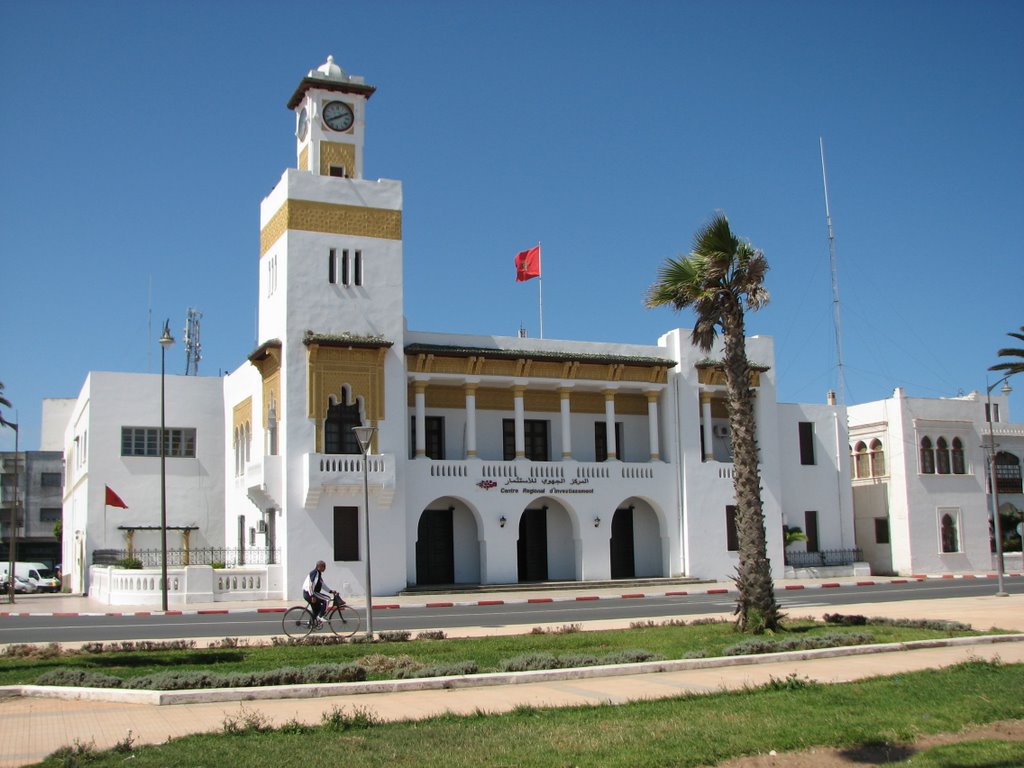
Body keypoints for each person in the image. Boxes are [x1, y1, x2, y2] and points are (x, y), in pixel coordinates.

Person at [302, 560, 337, 626]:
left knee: (318, 609)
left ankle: (311, 623)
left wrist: (330, 591)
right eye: (323, 566)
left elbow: (322, 584)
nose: (325, 568)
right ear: (319, 567)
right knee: (327, 599)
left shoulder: (318, 574)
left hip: (309, 593)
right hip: (309, 593)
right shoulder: (315, 573)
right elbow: (310, 585)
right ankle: (321, 617)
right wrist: (312, 596)